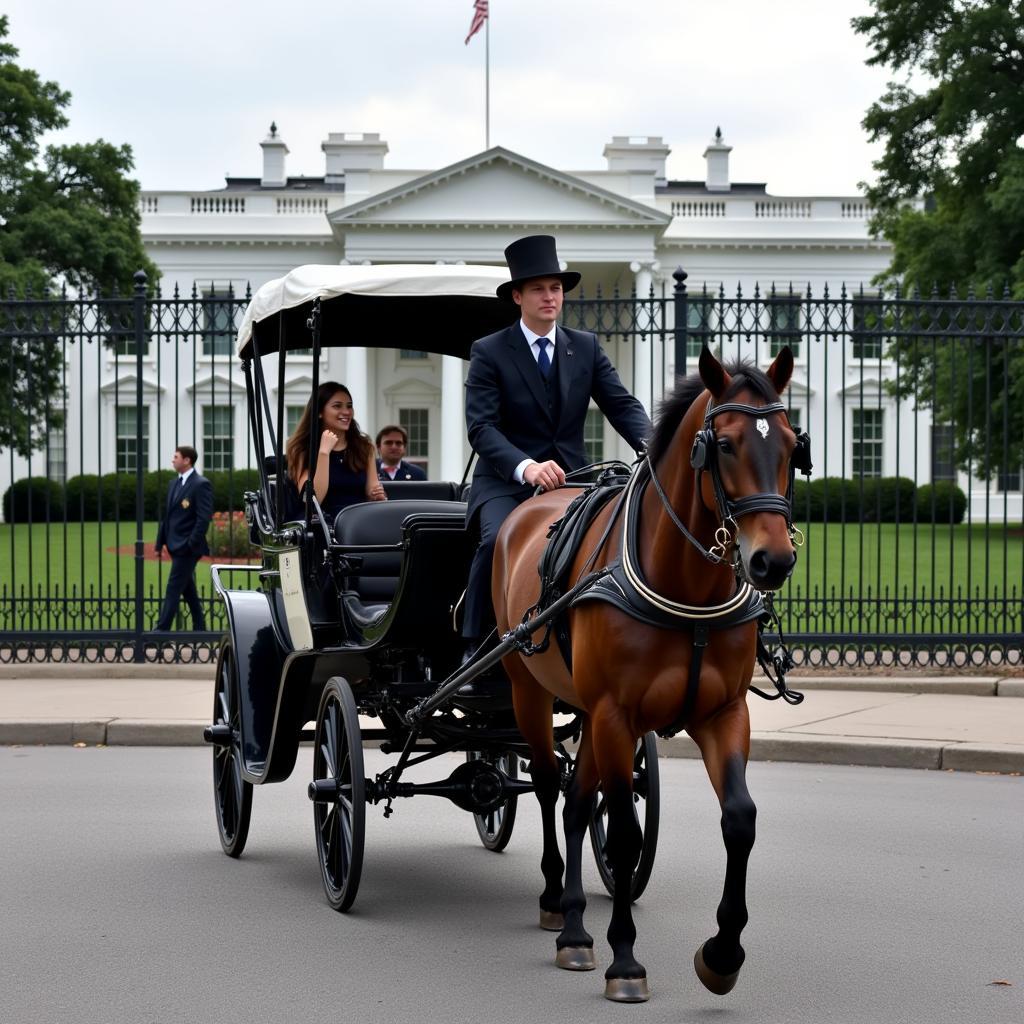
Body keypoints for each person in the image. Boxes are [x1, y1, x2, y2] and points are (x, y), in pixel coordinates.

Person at [461, 234, 653, 683]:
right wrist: (526, 465)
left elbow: (621, 405)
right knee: (493, 542)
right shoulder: (489, 352)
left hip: (574, 481)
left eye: (556, 288)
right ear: (517, 296)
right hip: (506, 483)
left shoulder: (584, 346)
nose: (550, 297)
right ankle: (472, 645)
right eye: (538, 289)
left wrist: (654, 446)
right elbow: (481, 428)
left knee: (609, 547)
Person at [286, 382, 386, 522]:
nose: (346, 412)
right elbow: (314, 501)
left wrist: (377, 496)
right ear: (320, 412)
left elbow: (373, 492)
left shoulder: (364, 446)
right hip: (321, 524)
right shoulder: (302, 448)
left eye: (349, 406)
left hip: (358, 522)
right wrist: (324, 453)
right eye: (337, 406)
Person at [154, 445, 214, 631]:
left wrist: (190, 544)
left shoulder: (200, 484)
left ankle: (160, 632)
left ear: (187, 460)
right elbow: (168, 516)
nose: (173, 460)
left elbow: (203, 518)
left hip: (188, 548)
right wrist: (160, 543)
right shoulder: (174, 483)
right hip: (174, 545)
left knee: (173, 587)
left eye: (176, 456)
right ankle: (200, 627)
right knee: (187, 589)